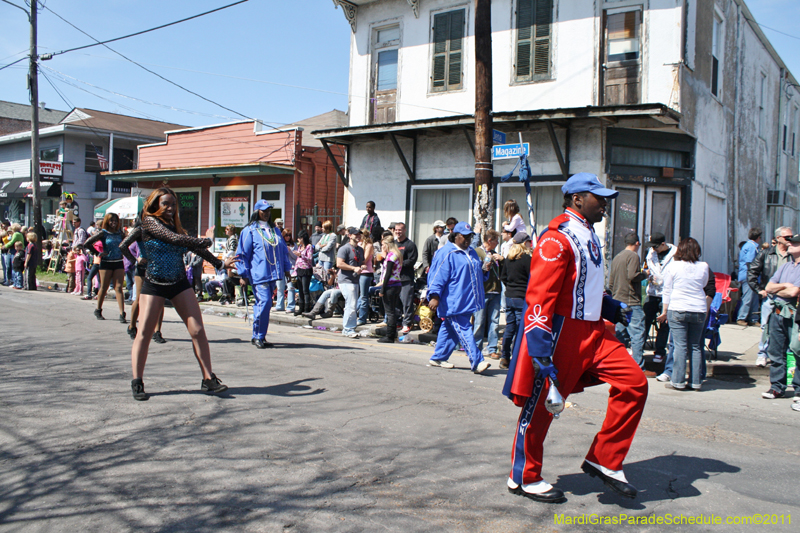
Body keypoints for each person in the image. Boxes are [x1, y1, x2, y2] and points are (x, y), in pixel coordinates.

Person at [503, 172, 647, 503]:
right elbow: (540, 296)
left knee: (635, 384)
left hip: (596, 330)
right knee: (542, 406)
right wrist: (539, 345)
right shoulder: (557, 239)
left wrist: (609, 306)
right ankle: (524, 475)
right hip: (564, 332)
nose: (606, 204)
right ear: (578, 199)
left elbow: (582, 283)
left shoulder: (588, 233)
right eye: (599, 197)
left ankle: (604, 459)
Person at [125, 187, 233, 401]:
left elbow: (190, 245)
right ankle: (137, 381)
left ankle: (208, 378)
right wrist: (206, 239)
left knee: (197, 330)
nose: (170, 208)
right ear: (156, 204)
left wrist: (219, 263)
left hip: (179, 282)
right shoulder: (148, 222)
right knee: (145, 332)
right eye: (165, 203)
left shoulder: (175, 226)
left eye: (173, 204)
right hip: (154, 283)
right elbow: (175, 240)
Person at [426, 222, 491, 373]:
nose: (468, 239)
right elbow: (436, 276)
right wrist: (434, 296)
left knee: (450, 329)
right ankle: (477, 361)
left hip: (468, 300)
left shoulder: (472, 252)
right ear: (456, 236)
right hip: (453, 301)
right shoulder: (446, 253)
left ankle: (438, 357)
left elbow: (476, 274)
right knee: (464, 329)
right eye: (465, 236)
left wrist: (484, 270)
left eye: (470, 236)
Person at [236, 200, 294, 348]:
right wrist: (243, 274)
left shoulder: (274, 231)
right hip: (258, 274)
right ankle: (258, 335)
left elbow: (283, 251)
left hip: (273, 274)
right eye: (263, 211)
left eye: (268, 211)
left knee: (265, 305)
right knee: (265, 302)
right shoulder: (249, 231)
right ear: (257, 212)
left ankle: (259, 336)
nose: (266, 214)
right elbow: (242, 254)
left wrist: (287, 269)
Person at [657, 238, 711, 391]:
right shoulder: (704, 266)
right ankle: (696, 381)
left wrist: (665, 311)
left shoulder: (674, 266)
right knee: (695, 346)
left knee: (680, 346)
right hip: (699, 308)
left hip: (678, 307)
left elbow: (667, 290)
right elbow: (704, 284)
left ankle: (678, 380)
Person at [761, 233, 800, 401]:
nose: (789, 245)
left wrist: (781, 289)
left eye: (795, 243)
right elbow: (769, 287)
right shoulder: (786, 266)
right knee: (776, 351)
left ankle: (798, 389)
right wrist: (783, 285)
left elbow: (794, 292)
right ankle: (777, 387)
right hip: (777, 312)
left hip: (794, 313)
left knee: (797, 350)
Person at [748, 226, 793, 367]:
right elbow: (752, 272)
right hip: (771, 296)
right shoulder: (766, 254)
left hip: (788, 297)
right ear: (778, 238)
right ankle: (762, 354)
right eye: (787, 237)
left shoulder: (793, 255)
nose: (790, 240)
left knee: (788, 327)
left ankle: (784, 356)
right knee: (766, 326)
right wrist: (759, 290)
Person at [608, 233, 651, 375]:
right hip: (631, 300)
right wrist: (645, 274)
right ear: (637, 243)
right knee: (637, 334)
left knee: (621, 335)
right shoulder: (633, 256)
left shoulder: (617, 257)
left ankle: (616, 364)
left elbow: (611, 282)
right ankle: (638, 367)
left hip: (618, 300)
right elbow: (633, 275)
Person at [83, 213, 128, 321]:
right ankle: (98, 309)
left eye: (116, 221)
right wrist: (97, 253)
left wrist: (125, 253)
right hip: (106, 262)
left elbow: (126, 243)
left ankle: (122, 313)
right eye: (111, 221)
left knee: (119, 287)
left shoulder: (120, 233)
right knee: (104, 287)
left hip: (118, 262)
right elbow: (87, 243)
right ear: (107, 221)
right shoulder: (103, 233)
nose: (114, 223)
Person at [499, 231, 532, 370]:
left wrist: (511, 287)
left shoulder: (508, 258)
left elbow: (503, 277)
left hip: (509, 295)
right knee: (520, 329)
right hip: (521, 296)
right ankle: (516, 357)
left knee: (510, 327)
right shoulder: (527, 259)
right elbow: (532, 278)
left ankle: (504, 357)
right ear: (525, 243)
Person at [642, 233, 677, 362]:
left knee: (664, 324)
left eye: (655, 246)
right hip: (652, 292)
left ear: (663, 244)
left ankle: (660, 351)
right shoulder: (650, 253)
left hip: (667, 294)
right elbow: (647, 268)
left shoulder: (675, 254)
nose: (653, 249)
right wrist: (650, 277)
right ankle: (639, 348)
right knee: (645, 320)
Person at [473, 229, 504, 359]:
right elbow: (475, 271)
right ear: (489, 240)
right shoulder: (477, 252)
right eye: (496, 240)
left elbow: (502, 272)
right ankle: (476, 348)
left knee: (494, 322)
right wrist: (487, 263)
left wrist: (502, 261)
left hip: (496, 291)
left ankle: (492, 348)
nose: (498, 243)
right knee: (479, 322)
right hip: (482, 292)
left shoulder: (495, 253)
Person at [337, 227, 364, 337]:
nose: (358, 236)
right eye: (355, 234)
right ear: (349, 235)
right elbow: (339, 264)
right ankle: (348, 329)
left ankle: (347, 328)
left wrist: (362, 266)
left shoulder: (360, 249)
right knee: (351, 304)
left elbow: (359, 263)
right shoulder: (344, 249)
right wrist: (353, 268)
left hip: (355, 280)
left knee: (352, 304)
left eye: (359, 234)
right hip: (346, 280)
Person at [377, 234, 403, 343]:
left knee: (390, 311)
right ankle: (393, 334)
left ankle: (390, 335)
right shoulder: (397, 254)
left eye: (383, 245)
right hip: (396, 284)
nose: (382, 247)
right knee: (392, 310)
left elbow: (388, 273)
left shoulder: (391, 255)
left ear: (387, 245)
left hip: (390, 285)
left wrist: (382, 288)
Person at [393, 222, 418, 335]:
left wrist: (398, 264)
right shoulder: (393, 244)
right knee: (396, 302)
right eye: (396, 230)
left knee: (406, 302)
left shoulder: (410, 245)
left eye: (400, 230)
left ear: (405, 230)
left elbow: (412, 261)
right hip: (394, 279)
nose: (398, 232)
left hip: (406, 278)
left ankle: (407, 324)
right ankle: (398, 322)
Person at [737, 228, 763, 326]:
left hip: (751, 275)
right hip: (749, 276)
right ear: (758, 237)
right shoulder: (752, 247)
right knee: (748, 297)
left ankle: (753, 318)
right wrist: (753, 274)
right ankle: (742, 317)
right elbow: (750, 262)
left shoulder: (749, 245)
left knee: (754, 297)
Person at [291, 231, 314, 316]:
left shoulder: (309, 247)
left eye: (299, 238)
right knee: (300, 289)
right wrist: (295, 270)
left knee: (305, 290)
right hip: (299, 269)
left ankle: (306, 308)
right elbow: (298, 259)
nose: (298, 240)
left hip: (306, 269)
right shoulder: (300, 246)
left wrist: (301, 255)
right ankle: (300, 307)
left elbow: (310, 258)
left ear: (303, 238)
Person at [357, 229, 375, 326]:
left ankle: (362, 318)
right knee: (358, 295)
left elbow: (365, 259)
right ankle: (355, 311)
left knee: (364, 296)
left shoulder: (369, 245)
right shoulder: (358, 244)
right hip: (358, 271)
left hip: (366, 272)